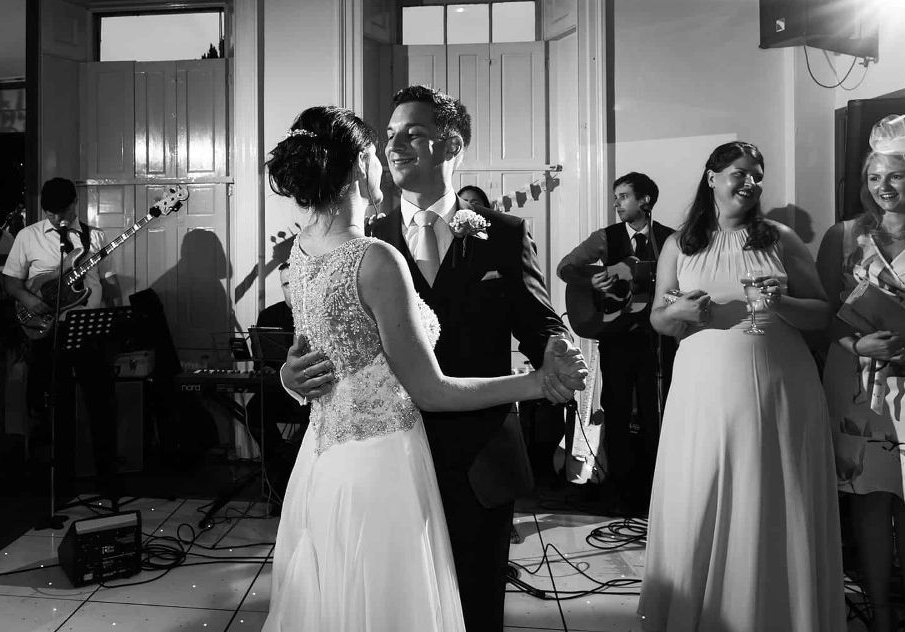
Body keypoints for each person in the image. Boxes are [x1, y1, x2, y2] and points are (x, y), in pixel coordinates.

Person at [265, 106, 586, 631]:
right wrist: (289, 375)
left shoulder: (502, 234)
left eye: (411, 134)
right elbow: (324, 346)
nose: (393, 147)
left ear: (450, 144)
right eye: (386, 137)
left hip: (473, 457)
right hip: (390, 462)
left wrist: (556, 349)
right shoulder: (371, 247)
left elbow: (540, 318)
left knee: (463, 607)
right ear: (359, 165)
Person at [639, 141, 843, 631]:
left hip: (779, 387)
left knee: (772, 490)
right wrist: (679, 311)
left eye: (757, 175)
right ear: (712, 177)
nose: (750, 183)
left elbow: (822, 312)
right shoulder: (679, 244)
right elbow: (659, 319)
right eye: (739, 172)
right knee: (702, 490)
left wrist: (781, 304)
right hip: (702, 391)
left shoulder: (780, 238)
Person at [818, 114, 905, 632]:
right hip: (856, 380)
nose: (883, 187)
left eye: (896, 175)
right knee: (865, 498)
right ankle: (880, 613)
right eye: (873, 177)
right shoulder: (845, 235)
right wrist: (855, 343)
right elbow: (821, 312)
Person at [557, 172, 676, 514]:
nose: (616, 203)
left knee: (657, 411)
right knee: (618, 408)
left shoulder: (670, 239)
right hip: (617, 339)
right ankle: (620, 491)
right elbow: (566, 267)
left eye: (624, 196)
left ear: (645, 200)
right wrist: (592, 281)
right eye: (616, 197)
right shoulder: (604, 238)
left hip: (658, 341)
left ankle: (657, 489)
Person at [3, 177, 123, 499]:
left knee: (101, 406)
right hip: (49, 333)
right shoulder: (28, 236)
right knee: (57, 410)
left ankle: (108, 483)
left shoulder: (95, 236)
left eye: (63, 212)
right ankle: (61, 486)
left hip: (90, 330)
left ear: (74, 205)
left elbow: (109, 282)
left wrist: (115, 305)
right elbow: (11, 283)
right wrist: (30, 301)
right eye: (50, 213)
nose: (57, 219)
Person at [243, 262, 306, 509]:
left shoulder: (318, 313)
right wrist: (265, 367)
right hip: (277, 392)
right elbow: (260, 359)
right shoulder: (270, 315)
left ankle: (291, 475)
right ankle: (280, 468)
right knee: (254, 413)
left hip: (310, 395)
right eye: (286, 284)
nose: (291, 289)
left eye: (295, 282)